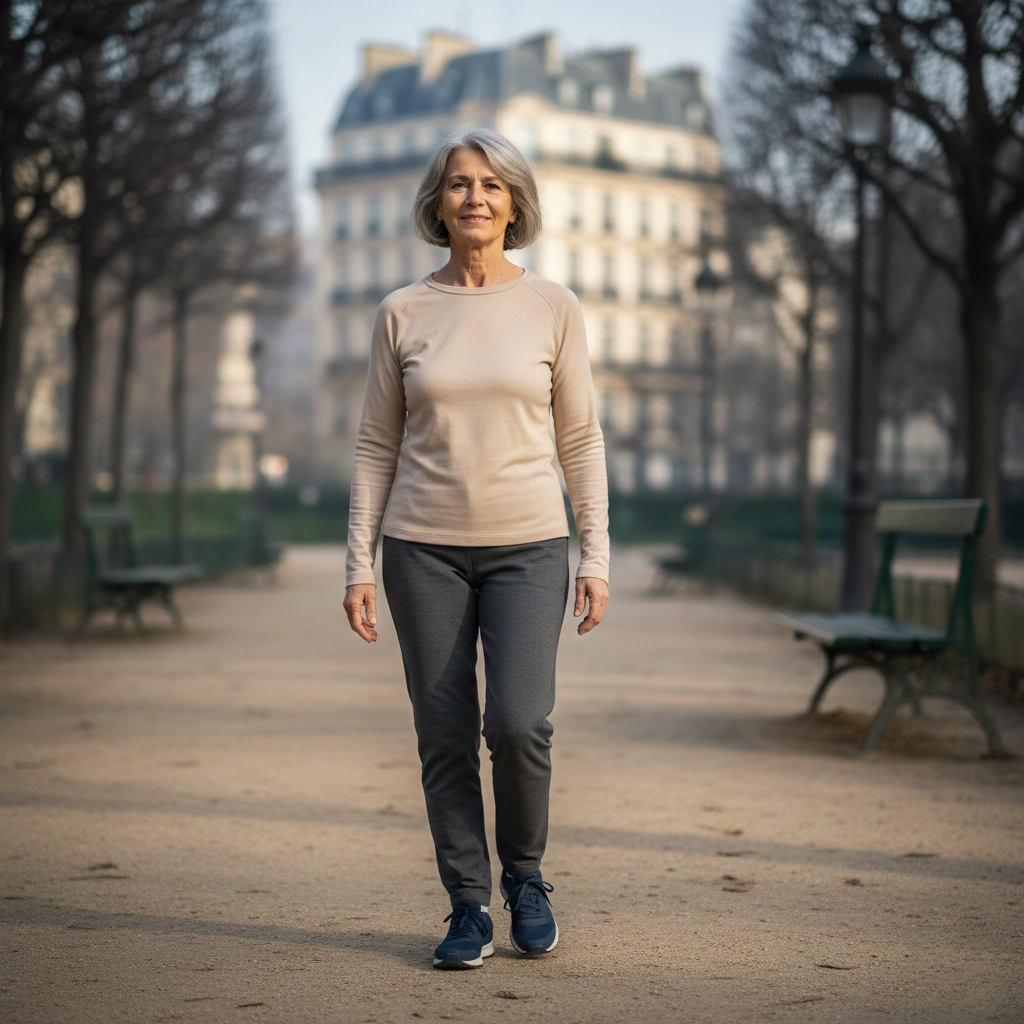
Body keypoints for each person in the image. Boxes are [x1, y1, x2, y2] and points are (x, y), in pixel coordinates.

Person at [343, 126, 610, 970]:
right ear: (438, 202)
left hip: (530, 546)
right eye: (460, 183)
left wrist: (595, 555)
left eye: (492, 185)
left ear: (515, 202)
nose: (475, 198)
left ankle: (525, 877)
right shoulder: (403, 311)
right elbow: (375, 445)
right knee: (445, 730)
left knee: (520, 722)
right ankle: (467, 903)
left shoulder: (553, 306)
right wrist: (358, 562)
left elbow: (582, 440)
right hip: (421, 549)